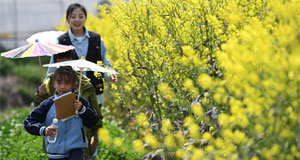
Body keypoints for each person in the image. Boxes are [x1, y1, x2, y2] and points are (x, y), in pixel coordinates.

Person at [34, 51, 102, 159]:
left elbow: (96, 116)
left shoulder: (85, 85)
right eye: (60, 64)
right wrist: (41, 95)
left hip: (79, 139)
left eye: (67, 64)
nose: (62, 86)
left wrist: (95, 136)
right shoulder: (51, 82)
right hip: (57, 140)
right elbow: (41, 110)